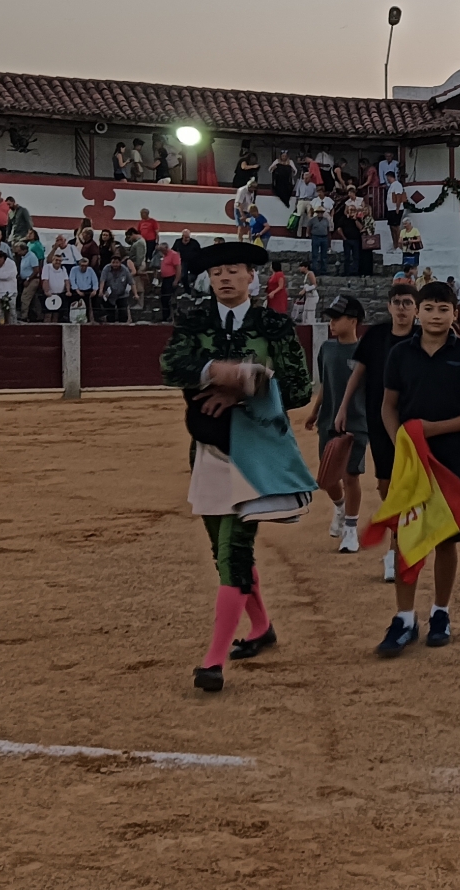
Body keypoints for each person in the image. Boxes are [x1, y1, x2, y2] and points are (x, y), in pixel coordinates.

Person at [159, 240, 314, 693]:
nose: (224, 278)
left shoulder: (274, 323)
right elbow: (171, 367)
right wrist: (217, 372)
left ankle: (213, 662)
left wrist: (247, 386)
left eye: (233, 271)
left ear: (252, 277)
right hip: (208, 450)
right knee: (221, 552)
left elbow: (300, 388)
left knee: (233, 554)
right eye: (216, 273)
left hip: (257, 453)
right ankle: (262, 627)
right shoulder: (195, 319)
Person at [370, 281, 460, 656]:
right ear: (418, 312)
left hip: (453, 457)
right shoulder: (400, 354)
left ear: (456, 313)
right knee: (406, 535)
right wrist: (402, 442)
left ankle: (440, 611)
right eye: (430, 308)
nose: (436, 316)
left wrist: (431, 430)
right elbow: (389, 406)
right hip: (411, 460)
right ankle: (404, 617)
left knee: (445, 537)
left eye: (444, 309)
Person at [339, 283, 420, 582]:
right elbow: (358, 374)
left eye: (407, 303)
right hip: (379, 418)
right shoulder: (375, 337)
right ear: (388, 307)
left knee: (408, 484)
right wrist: (343, 407)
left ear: (416, 308)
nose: (401, 307)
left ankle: (395, 550)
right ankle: (398, 540)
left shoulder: (425, 338)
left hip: (416, 420)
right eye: (397, 302)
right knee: (386, 485)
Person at [304, 295, 368, 553]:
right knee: (328, 478)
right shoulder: (327, 349)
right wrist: (315, 410)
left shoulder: (366, 351)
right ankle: (340, 506)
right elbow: (325, 385)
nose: (331, 322)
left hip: (357, 421)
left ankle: (351, 529)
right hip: (329, 420)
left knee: (351, 475)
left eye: (337, 318)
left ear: (353, 321)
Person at [96, 254, 134, 322]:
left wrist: (136, 294)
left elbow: (131, 282)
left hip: (122, 294)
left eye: (117, 263)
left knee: (123, 313)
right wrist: (101, 291)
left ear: (120, 263)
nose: (115, 264)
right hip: (109, 294)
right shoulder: (106, 269)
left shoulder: (125, 269)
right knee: (110, 314)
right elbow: (102, 280)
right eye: (113, 262)